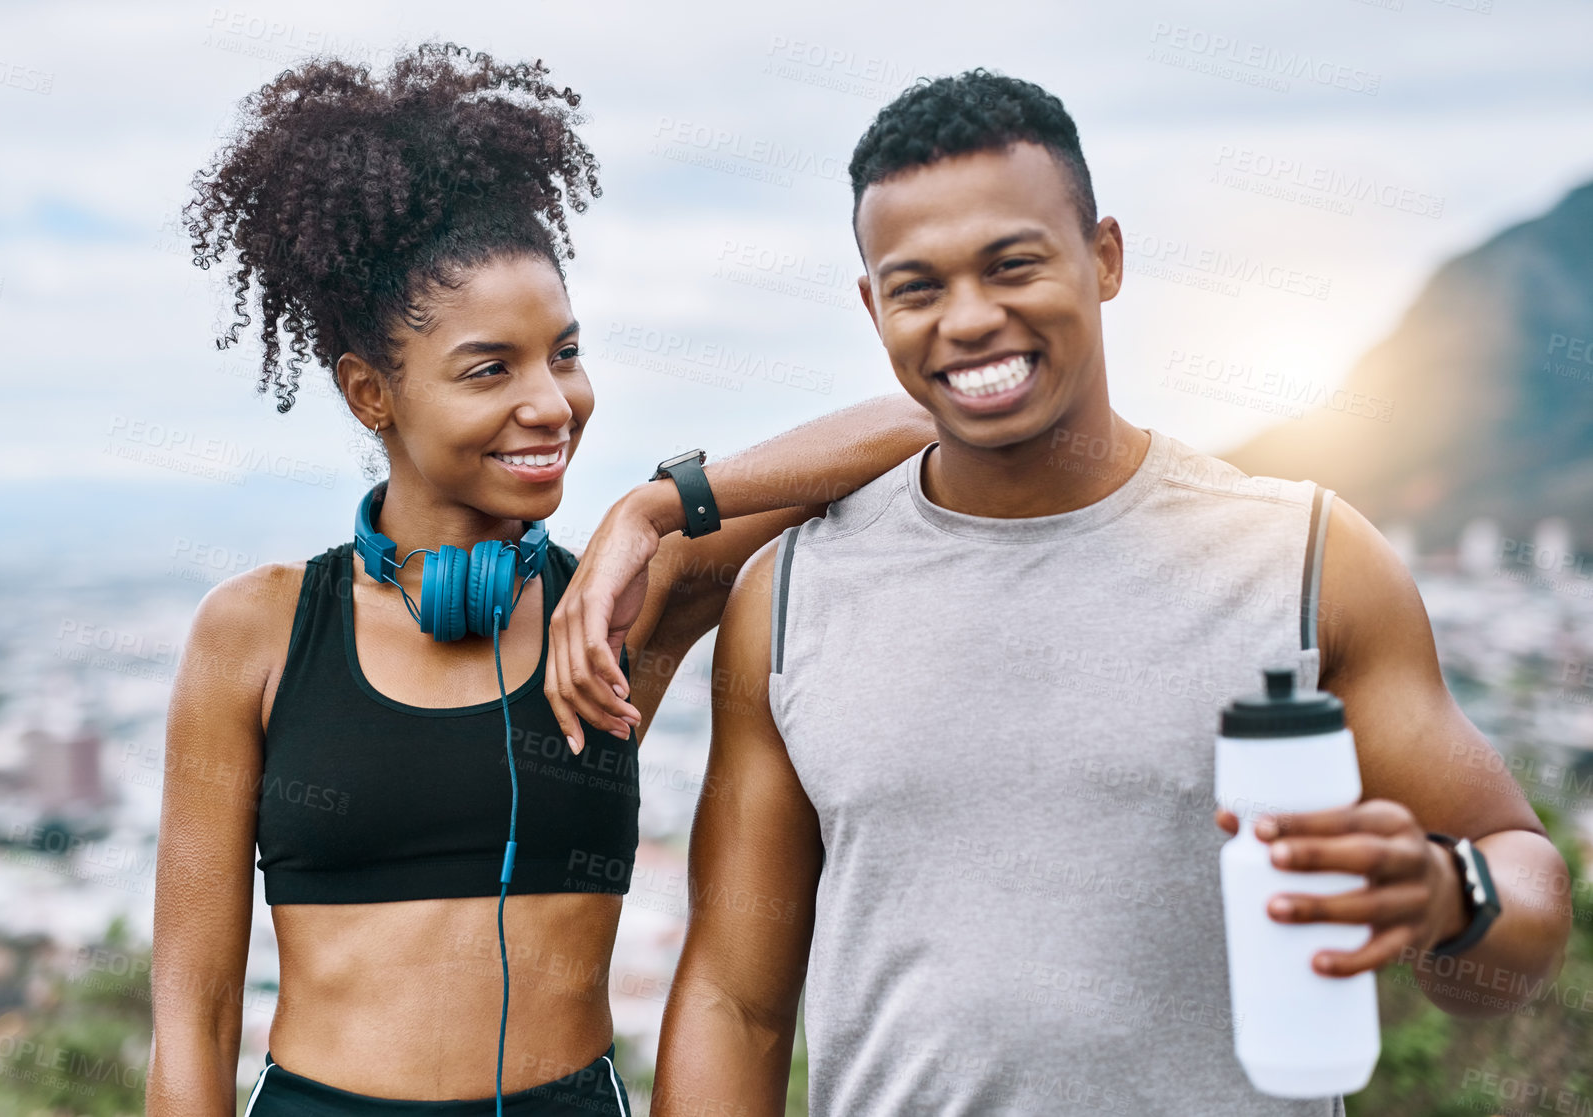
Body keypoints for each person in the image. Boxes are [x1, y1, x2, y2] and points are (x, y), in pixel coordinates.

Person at [648, 70, 1573, 1116]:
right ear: (873, 307)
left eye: (1014, 265)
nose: (970, 319)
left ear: (1105, 258)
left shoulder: (1309, 558)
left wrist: (1454, 896)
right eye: (918, 287)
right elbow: (736, 1000)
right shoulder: (790, 600)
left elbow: (1522, 884)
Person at [147, 43, 934, 1116]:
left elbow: (916, 421)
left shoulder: (623, 603)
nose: (553, 401)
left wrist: (651, 509)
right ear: (371, 392)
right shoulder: (254, 632)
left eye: (564, 353)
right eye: (491, 368)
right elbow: (190, 1012)